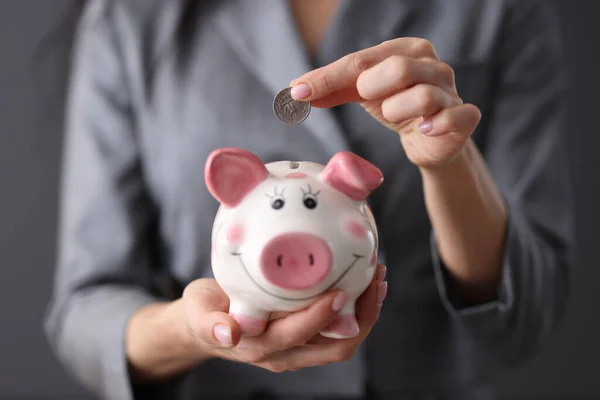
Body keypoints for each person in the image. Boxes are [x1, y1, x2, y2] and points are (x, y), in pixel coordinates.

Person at [43, 0, 574, 399]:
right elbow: (85, 309)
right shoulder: (130, 19)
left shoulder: (499, 9)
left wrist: (449, 161)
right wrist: (193, 330)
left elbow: (527, 314)